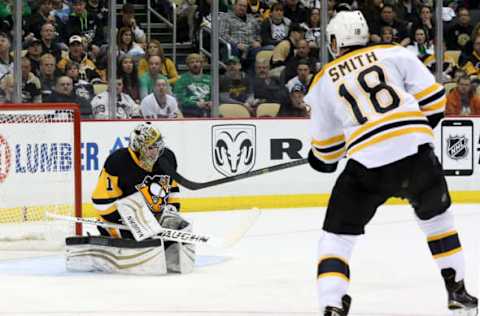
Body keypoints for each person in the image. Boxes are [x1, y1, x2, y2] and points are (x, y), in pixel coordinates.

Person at [304, 10, 478, 316]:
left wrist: (318, 158)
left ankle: (332, 304)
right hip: (416, 153)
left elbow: (327, 155)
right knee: (438, 222)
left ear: (334, 41)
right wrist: (405, 131)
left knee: (337, 238)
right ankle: (457, 291)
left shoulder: (323, 80)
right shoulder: (395, 52)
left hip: (368, 166)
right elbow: (435, 104)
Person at [89, 122, 195, 274]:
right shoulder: (118, 162)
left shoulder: (168, 157)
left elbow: (172, 187)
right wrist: (132, 220)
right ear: (137, 148)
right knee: (141, 239)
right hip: (119, 219)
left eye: (158, 145)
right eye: (150, 148)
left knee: (178, 228)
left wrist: (171, 210)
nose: (156, 152)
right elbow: (101, 202)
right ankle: (115, 236)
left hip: (152, 218)